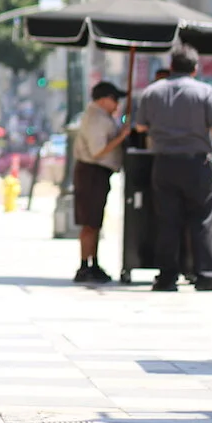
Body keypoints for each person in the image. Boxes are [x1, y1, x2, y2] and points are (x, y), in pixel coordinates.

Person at [134, 42, 212, 292]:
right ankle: (206, 276)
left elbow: (141, 126)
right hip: (196, 163)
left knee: (167, 221)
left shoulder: (152, 92)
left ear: (171, 66)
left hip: (164, 163)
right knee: (202, 219)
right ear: (195, 69)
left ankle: (167, 277)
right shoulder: (204, 92)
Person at [72, 81, 130, 284]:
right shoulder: (96, 118)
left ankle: (94, 262)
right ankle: (84, 265)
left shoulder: (103, 117)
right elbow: (98, 150)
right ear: (104, 99)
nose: (117, 104)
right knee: (89, 221)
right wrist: (121, 137)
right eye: (114, 100)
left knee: (95, 221)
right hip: (91, 172)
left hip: (99, 173)